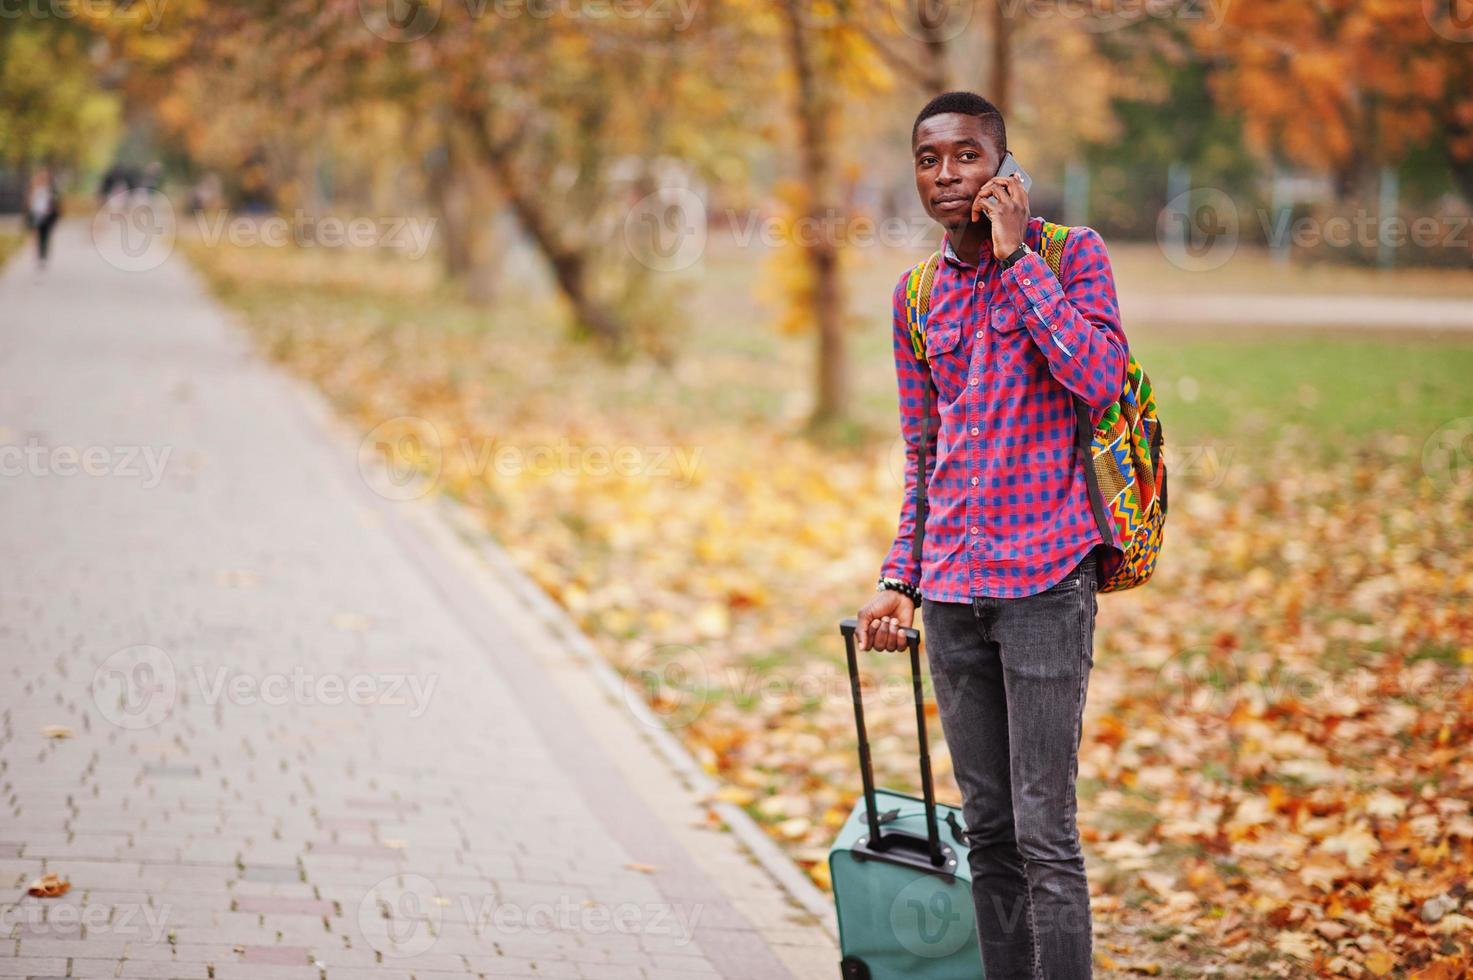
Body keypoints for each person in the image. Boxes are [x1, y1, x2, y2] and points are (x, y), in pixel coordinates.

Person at [856, 91, 1129, 979]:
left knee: (1045, 832)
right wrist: (902, 577)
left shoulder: (1069, 256)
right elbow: (922, 452)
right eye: (929, 159)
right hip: (953, 599)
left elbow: (1096, 377)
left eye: (966, 156)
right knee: (989, 831)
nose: (946, 176)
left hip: (1046, 587)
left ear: (1003, 169)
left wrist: (1016, 260)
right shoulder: (916, 295)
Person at [25, 169, 61, 271]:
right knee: (37, 236)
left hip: (47, 216)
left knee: (45, 236)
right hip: (36, 215)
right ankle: (38, 256)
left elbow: (55, 202)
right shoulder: (33, 188)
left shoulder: (51, 189)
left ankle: (43, 256)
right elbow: (29, 203)